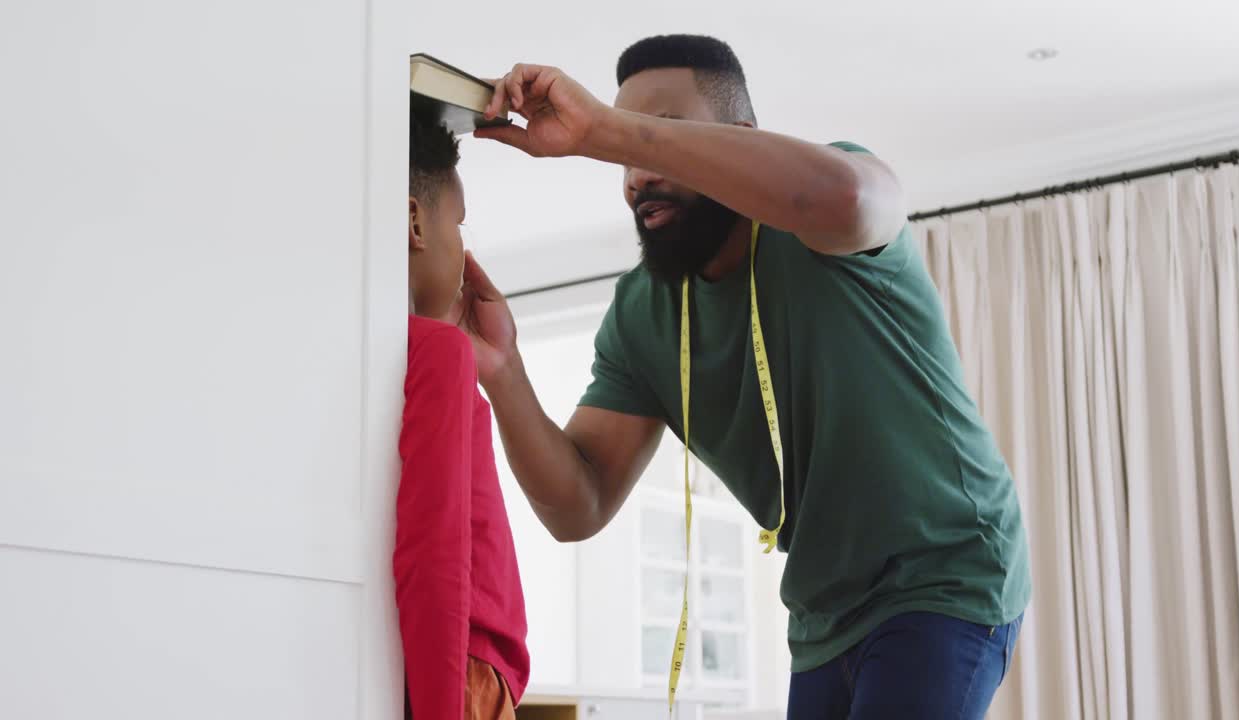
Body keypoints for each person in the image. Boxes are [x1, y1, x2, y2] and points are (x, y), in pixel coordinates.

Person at [458, 34, 1030, 719]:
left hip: (945, 571)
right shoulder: (641, 315)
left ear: (741, 137)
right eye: (624, 156)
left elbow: (850, 198)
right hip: (823, 614)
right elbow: (578, 505)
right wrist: (504, 371)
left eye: (660, 134)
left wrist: (604, 132)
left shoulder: (822, 210)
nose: (634, 174)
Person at [396, 91, 529, 720]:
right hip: (466, 676)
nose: (464, 248)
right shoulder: (440, 354)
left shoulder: (389, 359)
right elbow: (435, 553)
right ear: (416, 224)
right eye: (459, 224)